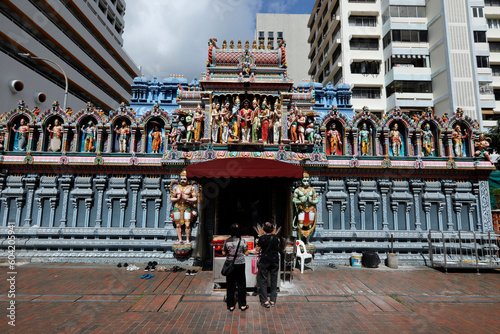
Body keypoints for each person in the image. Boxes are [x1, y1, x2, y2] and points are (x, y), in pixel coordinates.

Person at [222, 223, 249, 312]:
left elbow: (223, 253)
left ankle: (231, 305)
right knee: (241, 284)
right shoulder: (242, 241)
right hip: (240, 264)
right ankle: (242, 305)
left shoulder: (227, 241)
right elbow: (246, 253)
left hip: (230, 264)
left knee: (230, 285)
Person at [256, 222, 280, 308]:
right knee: (274, 280)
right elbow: (277, 247)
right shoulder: (276, 238)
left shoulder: (262, 238)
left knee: (263, 280)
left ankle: (265, 300)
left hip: (265, 260)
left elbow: (257, 249)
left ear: (264, 229)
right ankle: (273, 300)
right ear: (273, 229)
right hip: (274, 260)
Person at [170, 170, 198, 244]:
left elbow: (195, 198)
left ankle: (188, 240)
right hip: (177, 206)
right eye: (181, 179)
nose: (182, 180)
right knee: (178, 224)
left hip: (187, 206)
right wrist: (177, 199)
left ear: (188, 180)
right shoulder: (176, 188)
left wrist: (187, 199)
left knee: (187, 224)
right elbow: (171, 198)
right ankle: (180, 239)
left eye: (184, 179)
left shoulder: (191, 188)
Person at [293, 172, 318, 244]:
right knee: (300, 225)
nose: (306, 182)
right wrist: (301, 201)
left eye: (307, 180)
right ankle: (300, 240)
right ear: (301, 181)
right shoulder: (298, 190)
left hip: (310, 209)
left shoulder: (312, 190)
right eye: (304, 180)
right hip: (302, 209)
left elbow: (316, 200)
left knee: (310, 225)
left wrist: (311, 201)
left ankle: (307, 240)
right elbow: (294, 200)